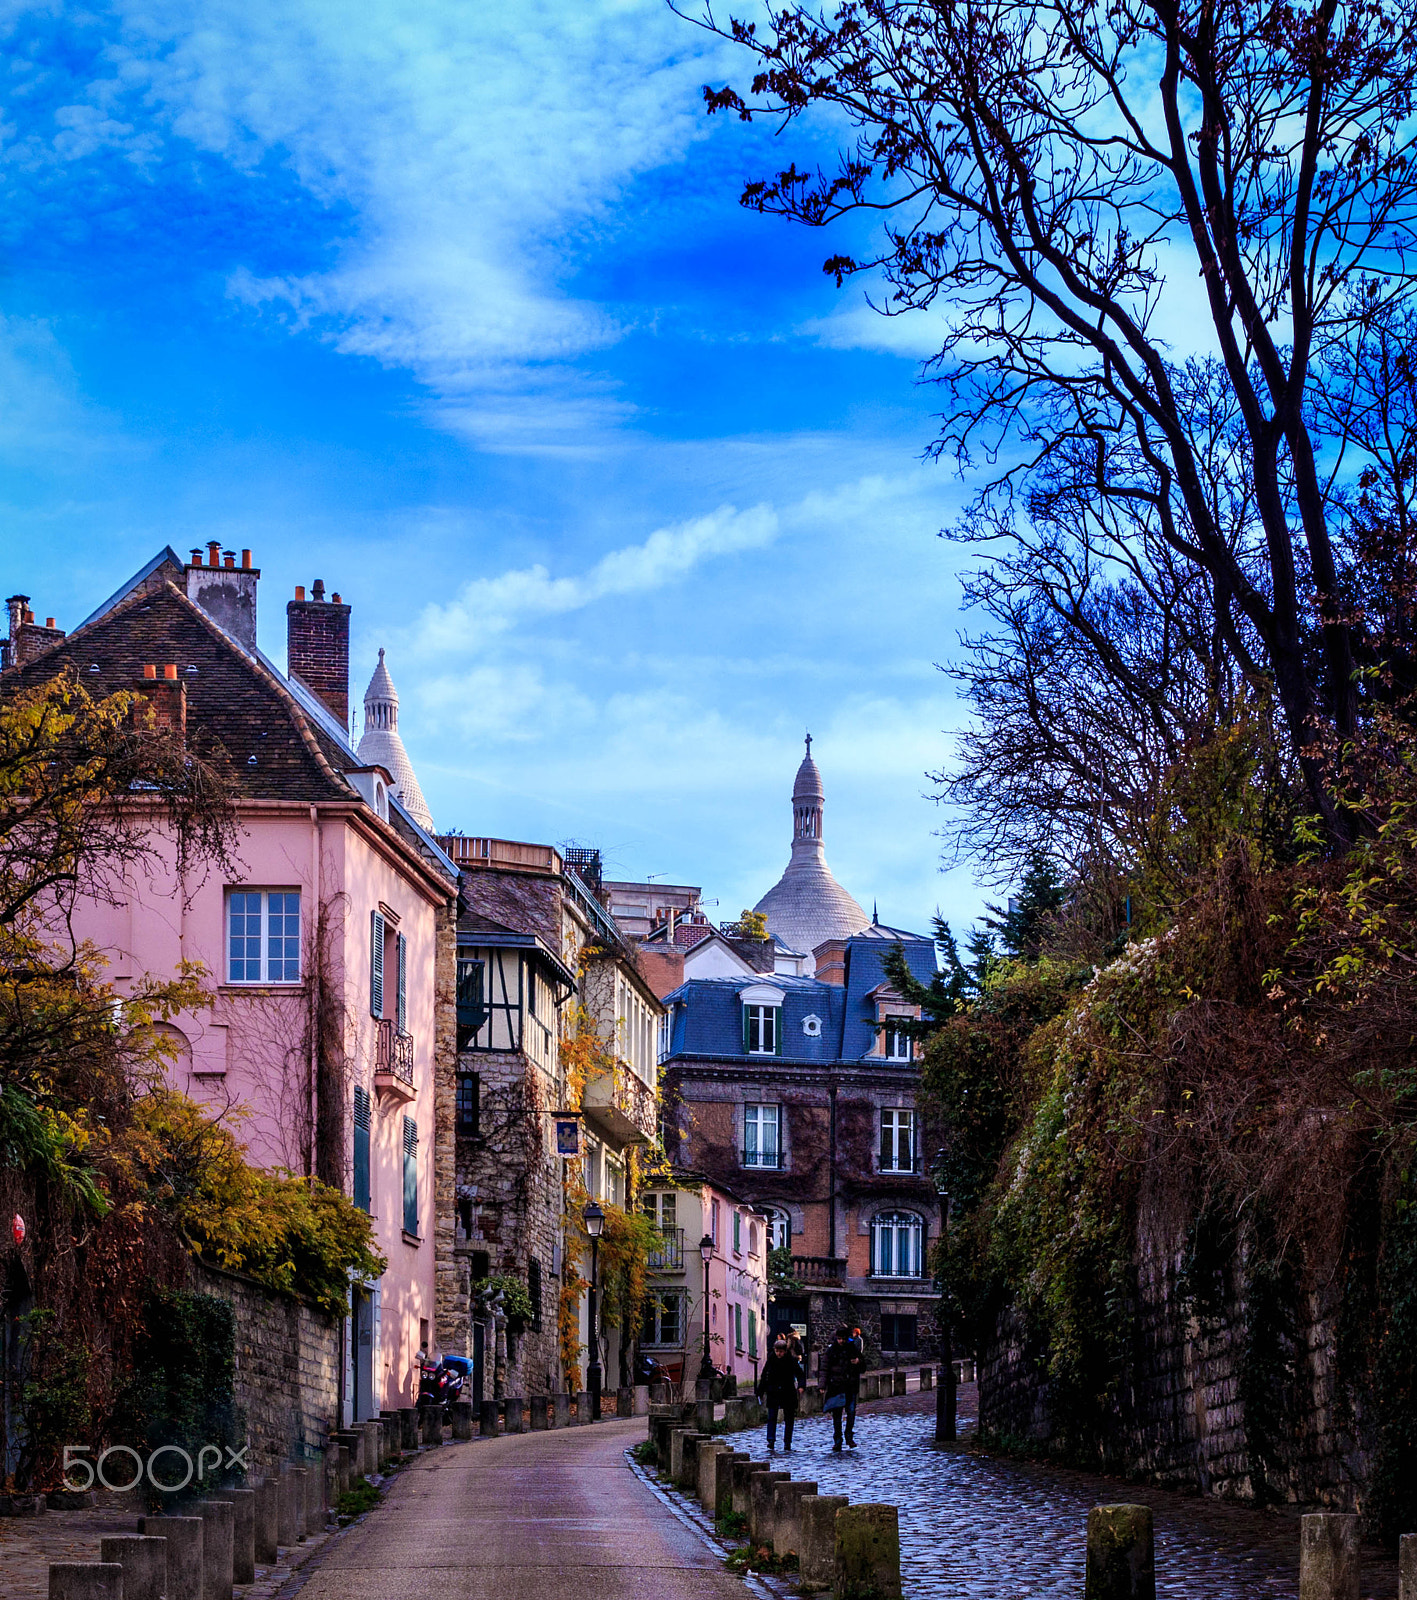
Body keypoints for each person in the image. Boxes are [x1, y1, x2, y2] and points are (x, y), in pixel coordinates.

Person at [756, 1333, 805, 1451]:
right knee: (772, 1417)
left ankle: (787, 1441)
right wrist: (760, 1391)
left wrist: (801, 1386)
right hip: (773, 1391)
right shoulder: (771, 1360)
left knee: (789, 1418)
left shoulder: (791, 1361)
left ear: (785, 1351)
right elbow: (764, 1376)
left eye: (781, 1352)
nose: (779, 1354)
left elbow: (800, 1374)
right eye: (777, 1351)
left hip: (787, 1391)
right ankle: (771, 1440)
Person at [822, 1324, 863, 1451]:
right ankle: (838, 1439)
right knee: (837, 1415)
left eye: (843, 1339)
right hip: (836, 1386)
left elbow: (863, 1366)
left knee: (851, 1412)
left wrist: (858, 1362)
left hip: (850, 1386)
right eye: (839, 1339)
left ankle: (849, 1435)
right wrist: (822, 1385)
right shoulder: (831, 1351)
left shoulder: (852, 1349)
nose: (841, 1341)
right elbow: (824, 1368)